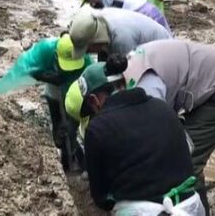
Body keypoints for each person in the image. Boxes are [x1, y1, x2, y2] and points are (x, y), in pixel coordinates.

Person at [74, 57, 205, 215]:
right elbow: (187, 154)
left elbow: (101, 197)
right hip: (190, 208)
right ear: (124, 83)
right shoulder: (163, 107)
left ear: (93, 100)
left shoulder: (97, 128)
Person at [0, 34, 93, 171]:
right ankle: (64, 153)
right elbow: (24, 67)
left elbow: (91, 88)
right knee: (58, 133)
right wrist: (40, 75)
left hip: (75, 97)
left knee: (69, 130)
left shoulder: (86, 60)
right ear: (56, 55)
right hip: (54, 94)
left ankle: (73, 160)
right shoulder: (45, 49)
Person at [68, 8, 172, 61]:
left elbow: (130, 72)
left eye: (88, 50)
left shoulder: (121, 39)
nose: (88, 54)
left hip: (163, 52)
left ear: (96, 40)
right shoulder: (99, 21)